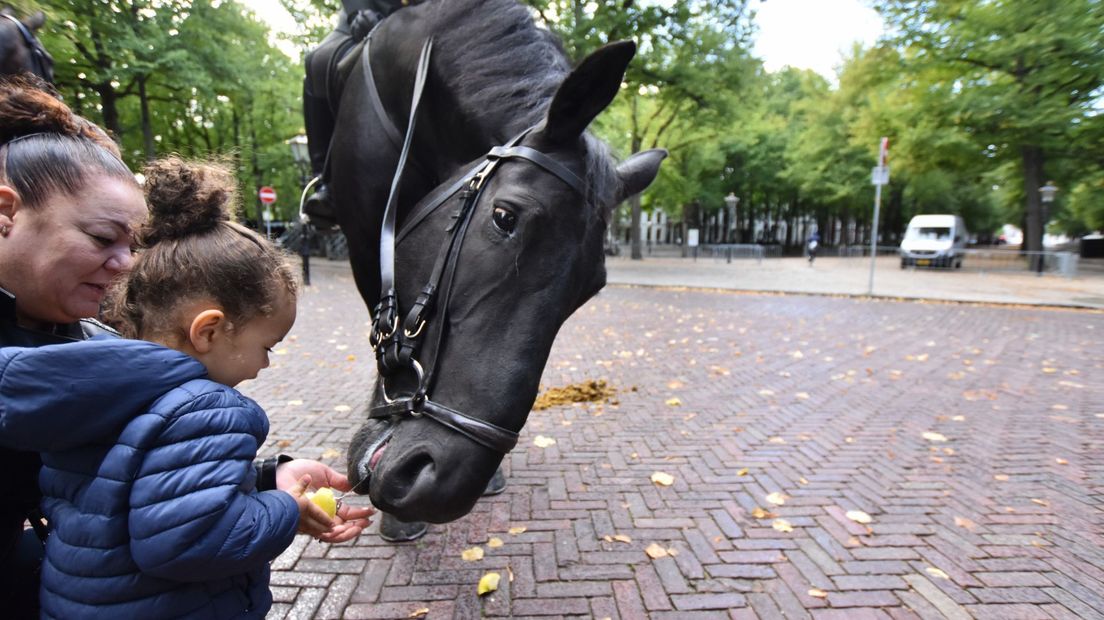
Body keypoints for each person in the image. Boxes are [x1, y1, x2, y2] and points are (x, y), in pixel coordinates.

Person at [0, 78, 372, 617]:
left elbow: (134, 475)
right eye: (103, 238)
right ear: (6, 212)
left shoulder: (96, 350)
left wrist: (262, 478)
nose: (126, 265)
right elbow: (178, 534)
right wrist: (280, 509)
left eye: (134, 244)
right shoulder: (153, 380)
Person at [301, 0, 406, 227]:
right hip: (367, 13)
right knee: (317, 61)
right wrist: (359, 14)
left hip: (430, 13)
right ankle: (326, 183)